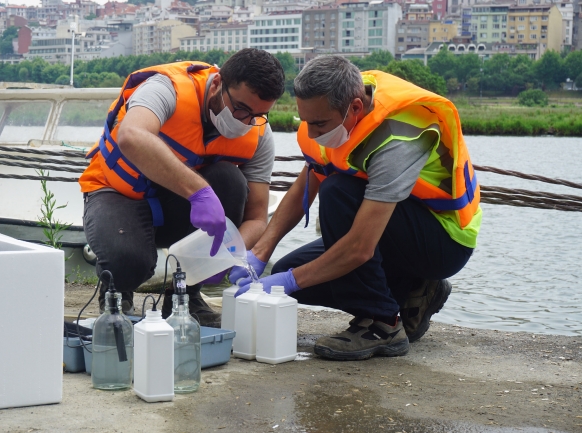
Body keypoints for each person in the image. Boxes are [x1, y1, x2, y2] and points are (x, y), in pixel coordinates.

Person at [230, 55, 481, 360]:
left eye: (319, 123)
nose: (311, 133)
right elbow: (307, 183)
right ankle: (415, 290)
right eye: (305, 121)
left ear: (356, 108)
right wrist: (260, 254)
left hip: (441, 240)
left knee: (338, 194)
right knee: (286, 271)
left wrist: (290, 281)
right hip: (393, 231)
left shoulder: (399, 135)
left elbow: (360, 247)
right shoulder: (336, 111)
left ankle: (382, 324)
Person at [79, 49, 285, 327]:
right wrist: (199, 192)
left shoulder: (258, 131)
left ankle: (184, 296)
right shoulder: (167, 88)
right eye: (240, 109)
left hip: (180, 211)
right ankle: (116, 290)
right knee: (130, 262)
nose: (246, 122)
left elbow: (257, 217)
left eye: (258, 115)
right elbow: (131, 135)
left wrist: (227, 254)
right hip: (117, 194)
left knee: (230, 181)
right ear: (217, 84)